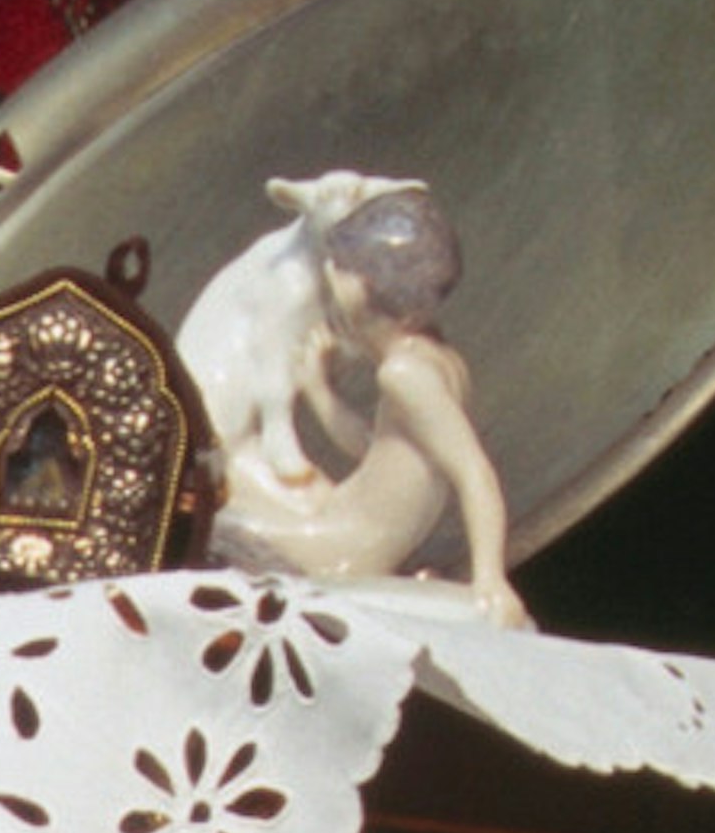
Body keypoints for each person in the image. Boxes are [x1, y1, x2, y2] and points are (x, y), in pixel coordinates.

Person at [204, 181, 526, 622]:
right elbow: (379, 450)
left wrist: (490, 578)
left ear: (361, 287)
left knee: (212, 513)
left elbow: (473, 473)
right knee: (232, 476)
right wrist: (320, 391)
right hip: (338, 517)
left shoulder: (405, 375)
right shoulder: (436, 359)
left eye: (338, 271)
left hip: (342, 546)